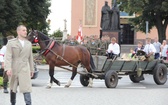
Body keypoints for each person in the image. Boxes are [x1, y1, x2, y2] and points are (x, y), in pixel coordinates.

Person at [4, 25, 34, 105]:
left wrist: (32, 69)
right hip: (14, 68)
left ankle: (28, 103)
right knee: (13, 88)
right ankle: (13, 103)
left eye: (26, 30)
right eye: (23, 30)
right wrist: (8, 68)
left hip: (25, 68)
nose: (26, 32)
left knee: (26, 88)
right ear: (18, 32)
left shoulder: (28, 44)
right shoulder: (11, 43)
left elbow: (30, 58)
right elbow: (8, 56)